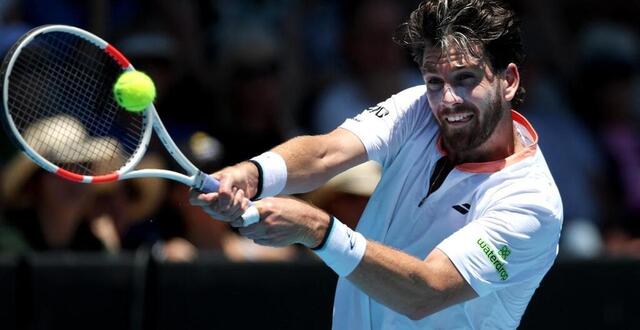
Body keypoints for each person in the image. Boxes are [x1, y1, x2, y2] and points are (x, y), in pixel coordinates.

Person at [190, 0, 562, 328]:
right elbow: (325, 152)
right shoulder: (418, 108)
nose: (448, 100)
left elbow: (427, 291)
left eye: (466, 79)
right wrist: (252, 173)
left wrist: (318, 230)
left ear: (508, 80)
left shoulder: (531, 203)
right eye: (435, 81)